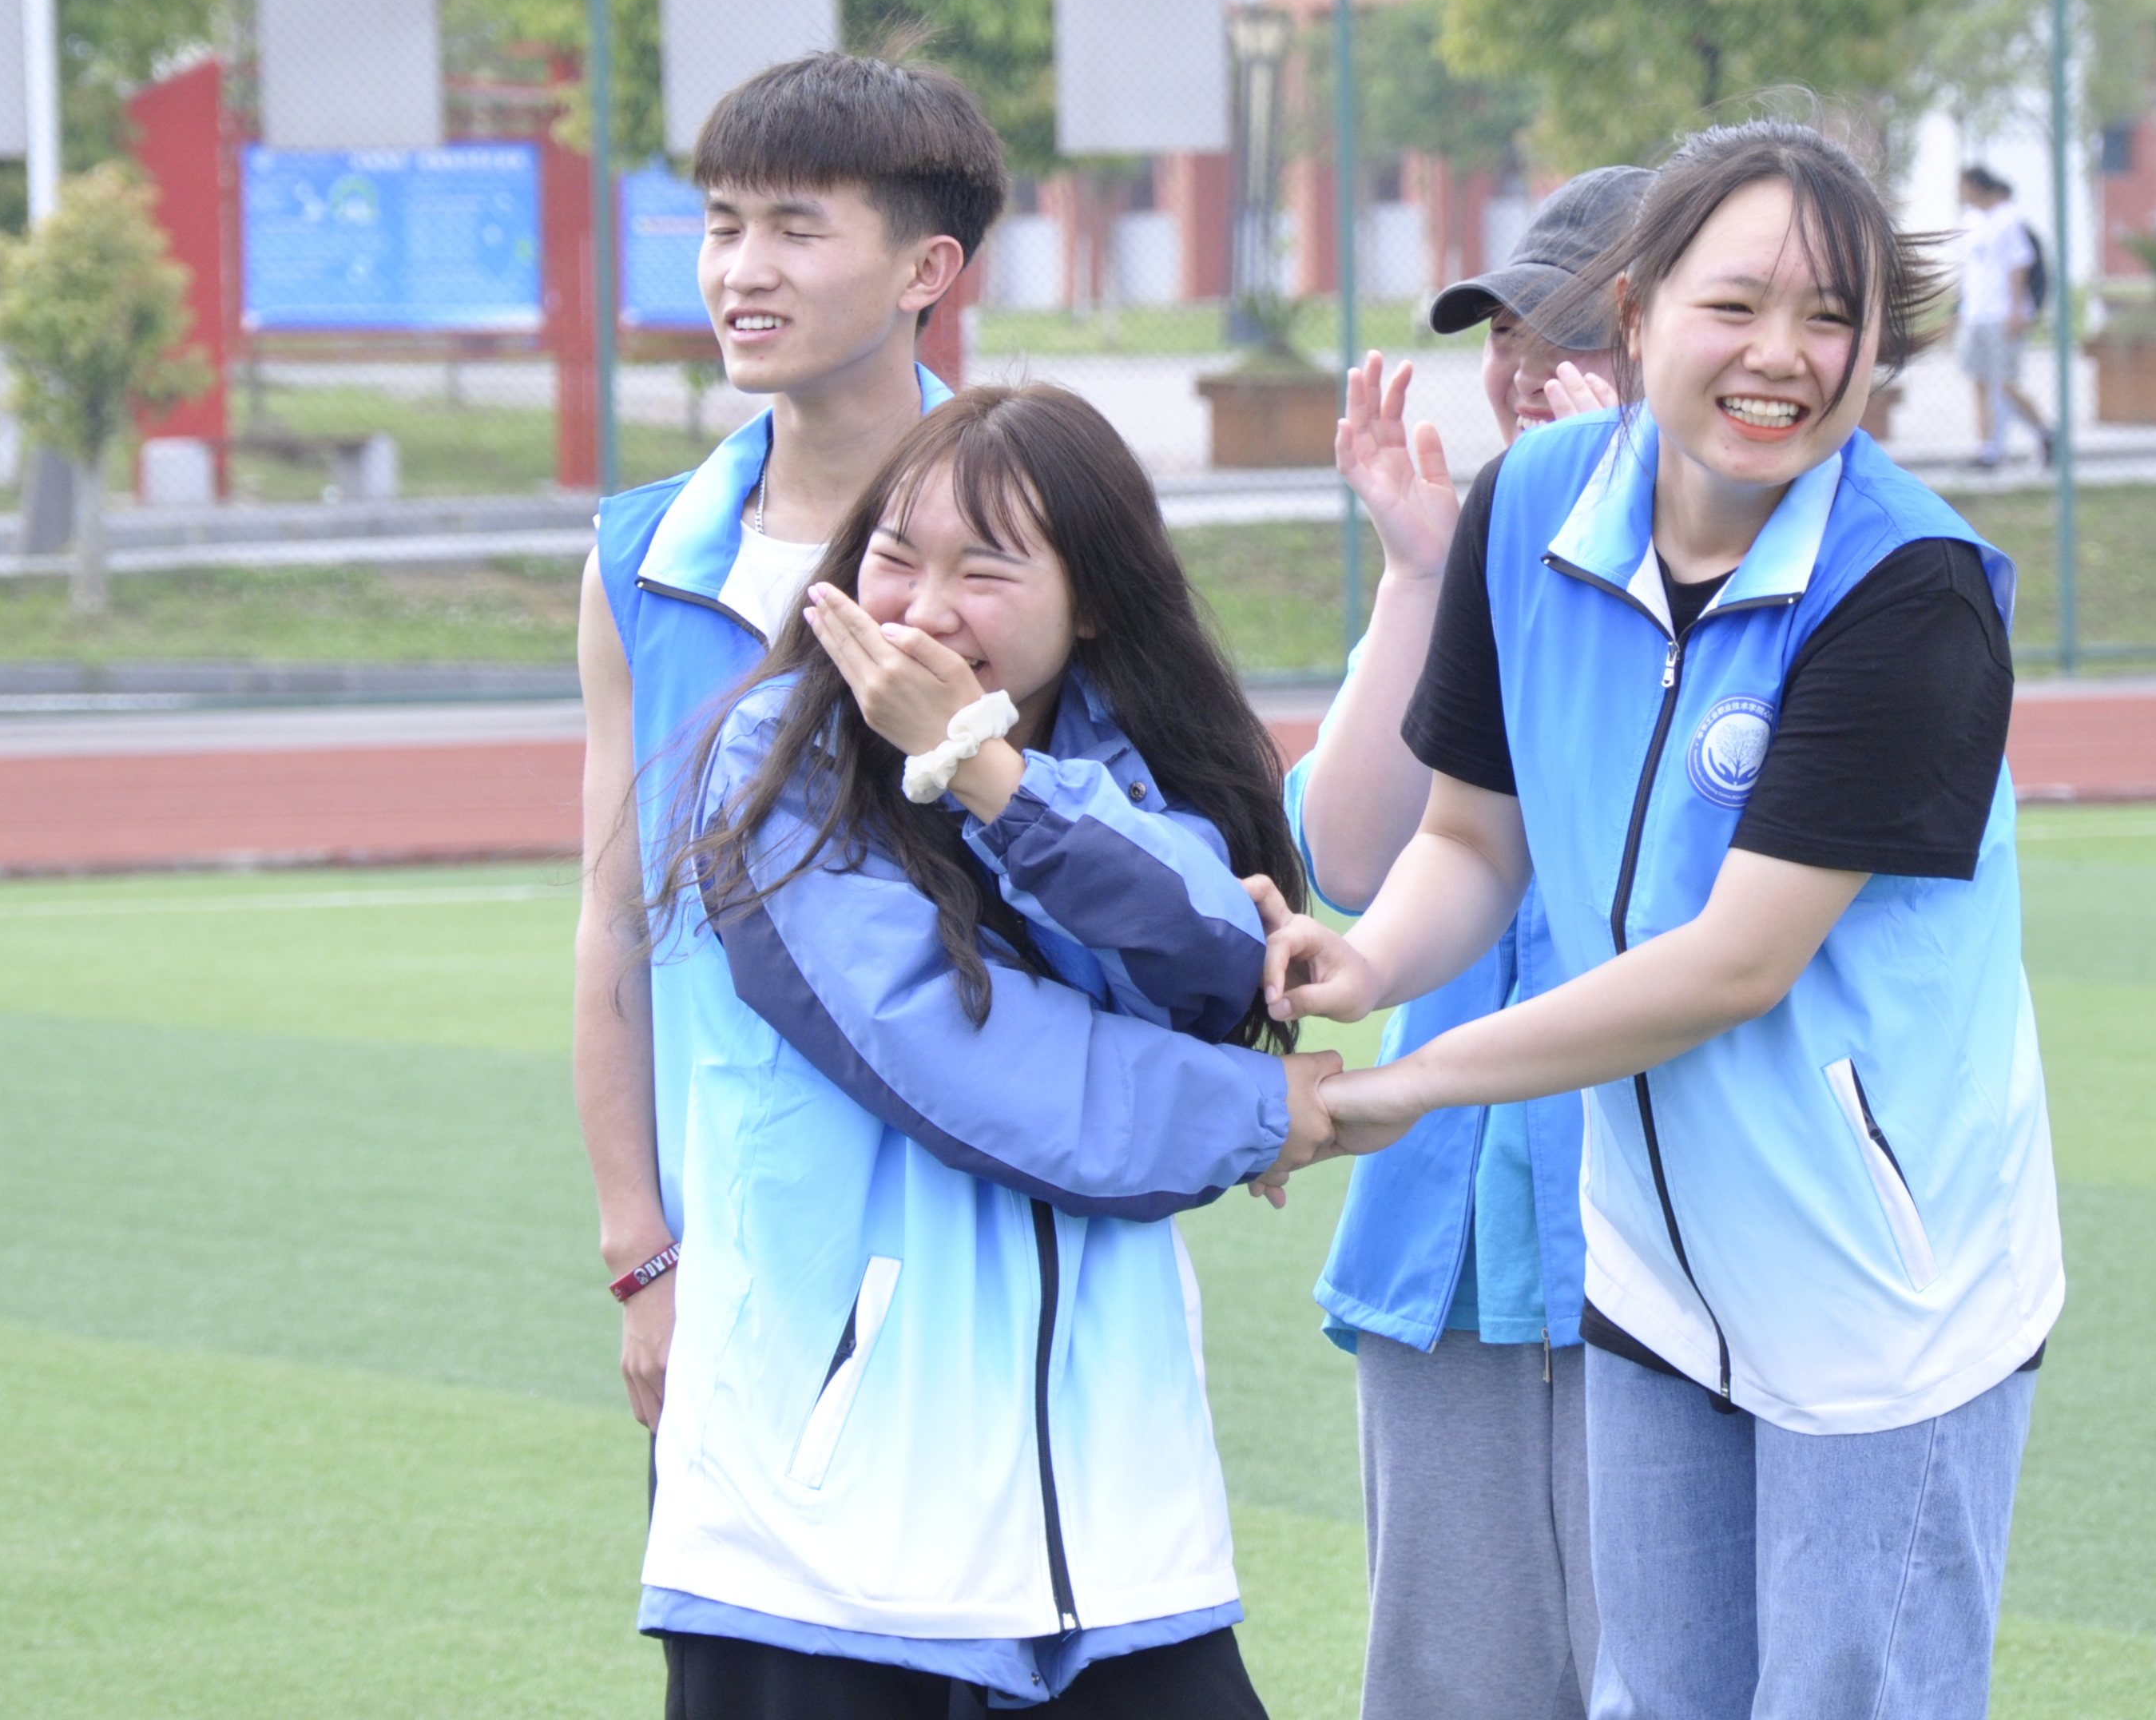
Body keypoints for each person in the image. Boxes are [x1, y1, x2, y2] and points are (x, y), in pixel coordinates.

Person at [1259, 121, 2059, 1720]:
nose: (1781, 354)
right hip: (1653, 1273)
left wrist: (1404, 1081)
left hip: (1877, 1285)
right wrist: (1371, 957)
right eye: (1735, 303)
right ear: (1635, 313)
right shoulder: (1530, 505)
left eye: (1829, 316)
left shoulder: (1907, 587)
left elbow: (1732, 962)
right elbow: (1471, 836)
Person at [645, 382, 1342, 1716]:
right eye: (895, 555)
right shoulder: (778, 763)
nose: (924, 606)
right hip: (830, 1537)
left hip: (1112, 1525)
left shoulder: (1130, 778)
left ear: (1092, 602)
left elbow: (1209, 959)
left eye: (985, 568)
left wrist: (984, 768)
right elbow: (964, 1062)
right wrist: (1266, 1109)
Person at [576, 50, 999, 1448]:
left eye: (796, 227)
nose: (741, 271)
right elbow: (616, 915)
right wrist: (640, 1249)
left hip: (980, 1231)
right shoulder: (641, 557)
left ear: (925, 268)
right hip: (730, 1257)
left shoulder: (1035, 534)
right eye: (721, 224)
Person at [1289, 167, 1641, 1720]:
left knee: (1665, 1677)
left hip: (1652, 1237)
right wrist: (1417, 572)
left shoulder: (1755, 572)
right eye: (1502, 333)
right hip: (1442, 1245)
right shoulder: (1479, 555)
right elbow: (1349, 856)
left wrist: (1610, 533)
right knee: (1448, 1687)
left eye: (1567, 336)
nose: (1520, 369)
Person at [1954, 165, 2054, 469]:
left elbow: (2018, 265)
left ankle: (2046, 432)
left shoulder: (2008, 219)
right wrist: (1958, 311)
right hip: (1975, 314)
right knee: (1980, 383)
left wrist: (2016, 309)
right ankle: (1988, 451)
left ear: (1975, 186)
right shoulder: (1971, 221)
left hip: (2002, 314)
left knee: (2005, 384)